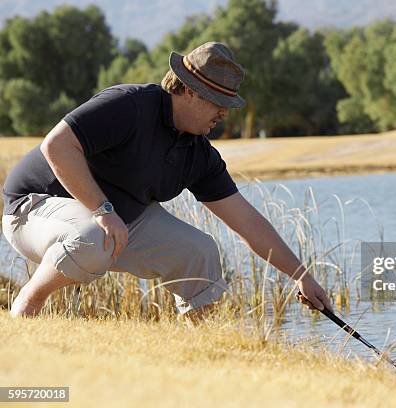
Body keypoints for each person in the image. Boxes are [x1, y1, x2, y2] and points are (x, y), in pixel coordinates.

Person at [1, 41, 332, 320]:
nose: (225, 113)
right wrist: (103, 210)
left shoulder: (199, 153)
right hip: (32, 210)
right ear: (188, 90)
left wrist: (302, 277)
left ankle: (201, 352)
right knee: (92, 235)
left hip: (113, 224)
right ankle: (30, 302)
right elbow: (57, 146)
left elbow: (247, 222)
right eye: (219, 103)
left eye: (229, 104)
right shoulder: (130, 105)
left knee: (200, 251)